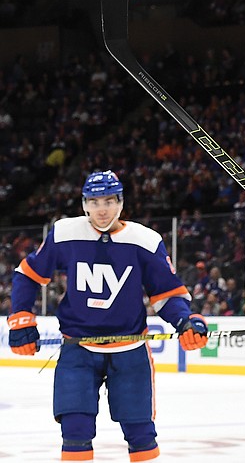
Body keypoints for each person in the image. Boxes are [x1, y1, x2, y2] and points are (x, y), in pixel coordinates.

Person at [8, 171, 208, 462]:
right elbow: (27, 275)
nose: (102, 209)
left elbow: (167, 296)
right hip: (78, 349)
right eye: (94, 201)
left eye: (109, 201)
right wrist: (21, 317)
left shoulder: (145, 241)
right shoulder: (65, 233)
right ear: (84, 204)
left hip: (130, 352)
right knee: (75, 430)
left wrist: (185, 321)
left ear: (121, 202)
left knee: (140, 433)